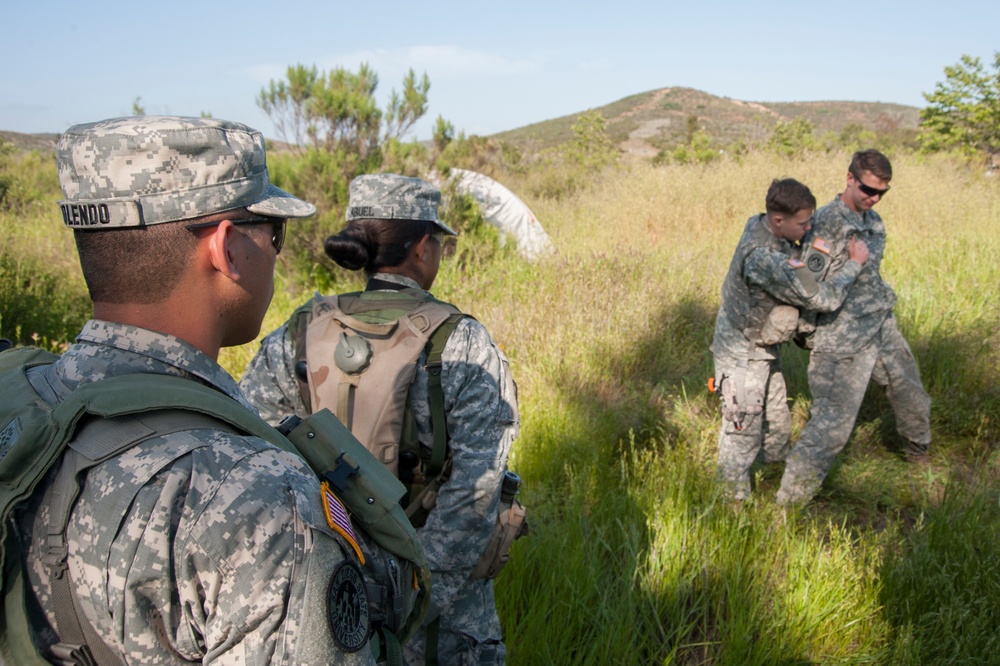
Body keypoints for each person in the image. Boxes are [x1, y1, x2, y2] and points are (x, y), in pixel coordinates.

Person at [3, 116, 379, 665]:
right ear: (226, 247)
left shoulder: (22, 401)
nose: (276, 252)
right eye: (273, 232)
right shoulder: (253, 495)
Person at [241, 174, 519, 665]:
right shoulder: (462, 342)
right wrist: (418, 592)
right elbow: (477, 489)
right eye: (438, 243)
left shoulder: (299, 333)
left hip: (329, 591)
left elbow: (255, 450)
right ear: (420, 248)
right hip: (439, 621)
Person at [777, 150, 932, 505]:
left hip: (879, 321)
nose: (874, 198)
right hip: (841, 336)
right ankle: (788, 504)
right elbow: (807, 283)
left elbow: (870, 274)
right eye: (867, 189)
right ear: (849, 178)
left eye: (882, 192)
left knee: (911, 394)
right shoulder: (825, 223)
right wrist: (806, 332)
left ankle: (918, 453)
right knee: (831, 427)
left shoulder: (874, 222)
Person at [711, 178, 870, 501]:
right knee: (742, 427)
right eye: (803, 223)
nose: (809, 227)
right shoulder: (763, 258)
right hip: (743, 350)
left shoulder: (764, 223)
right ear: (779, 219)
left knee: (774, 418)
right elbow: (821, 297)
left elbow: (802, 264)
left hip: (761, 345)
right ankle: (731, 505)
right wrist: (854, 264)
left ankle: (768, 475)